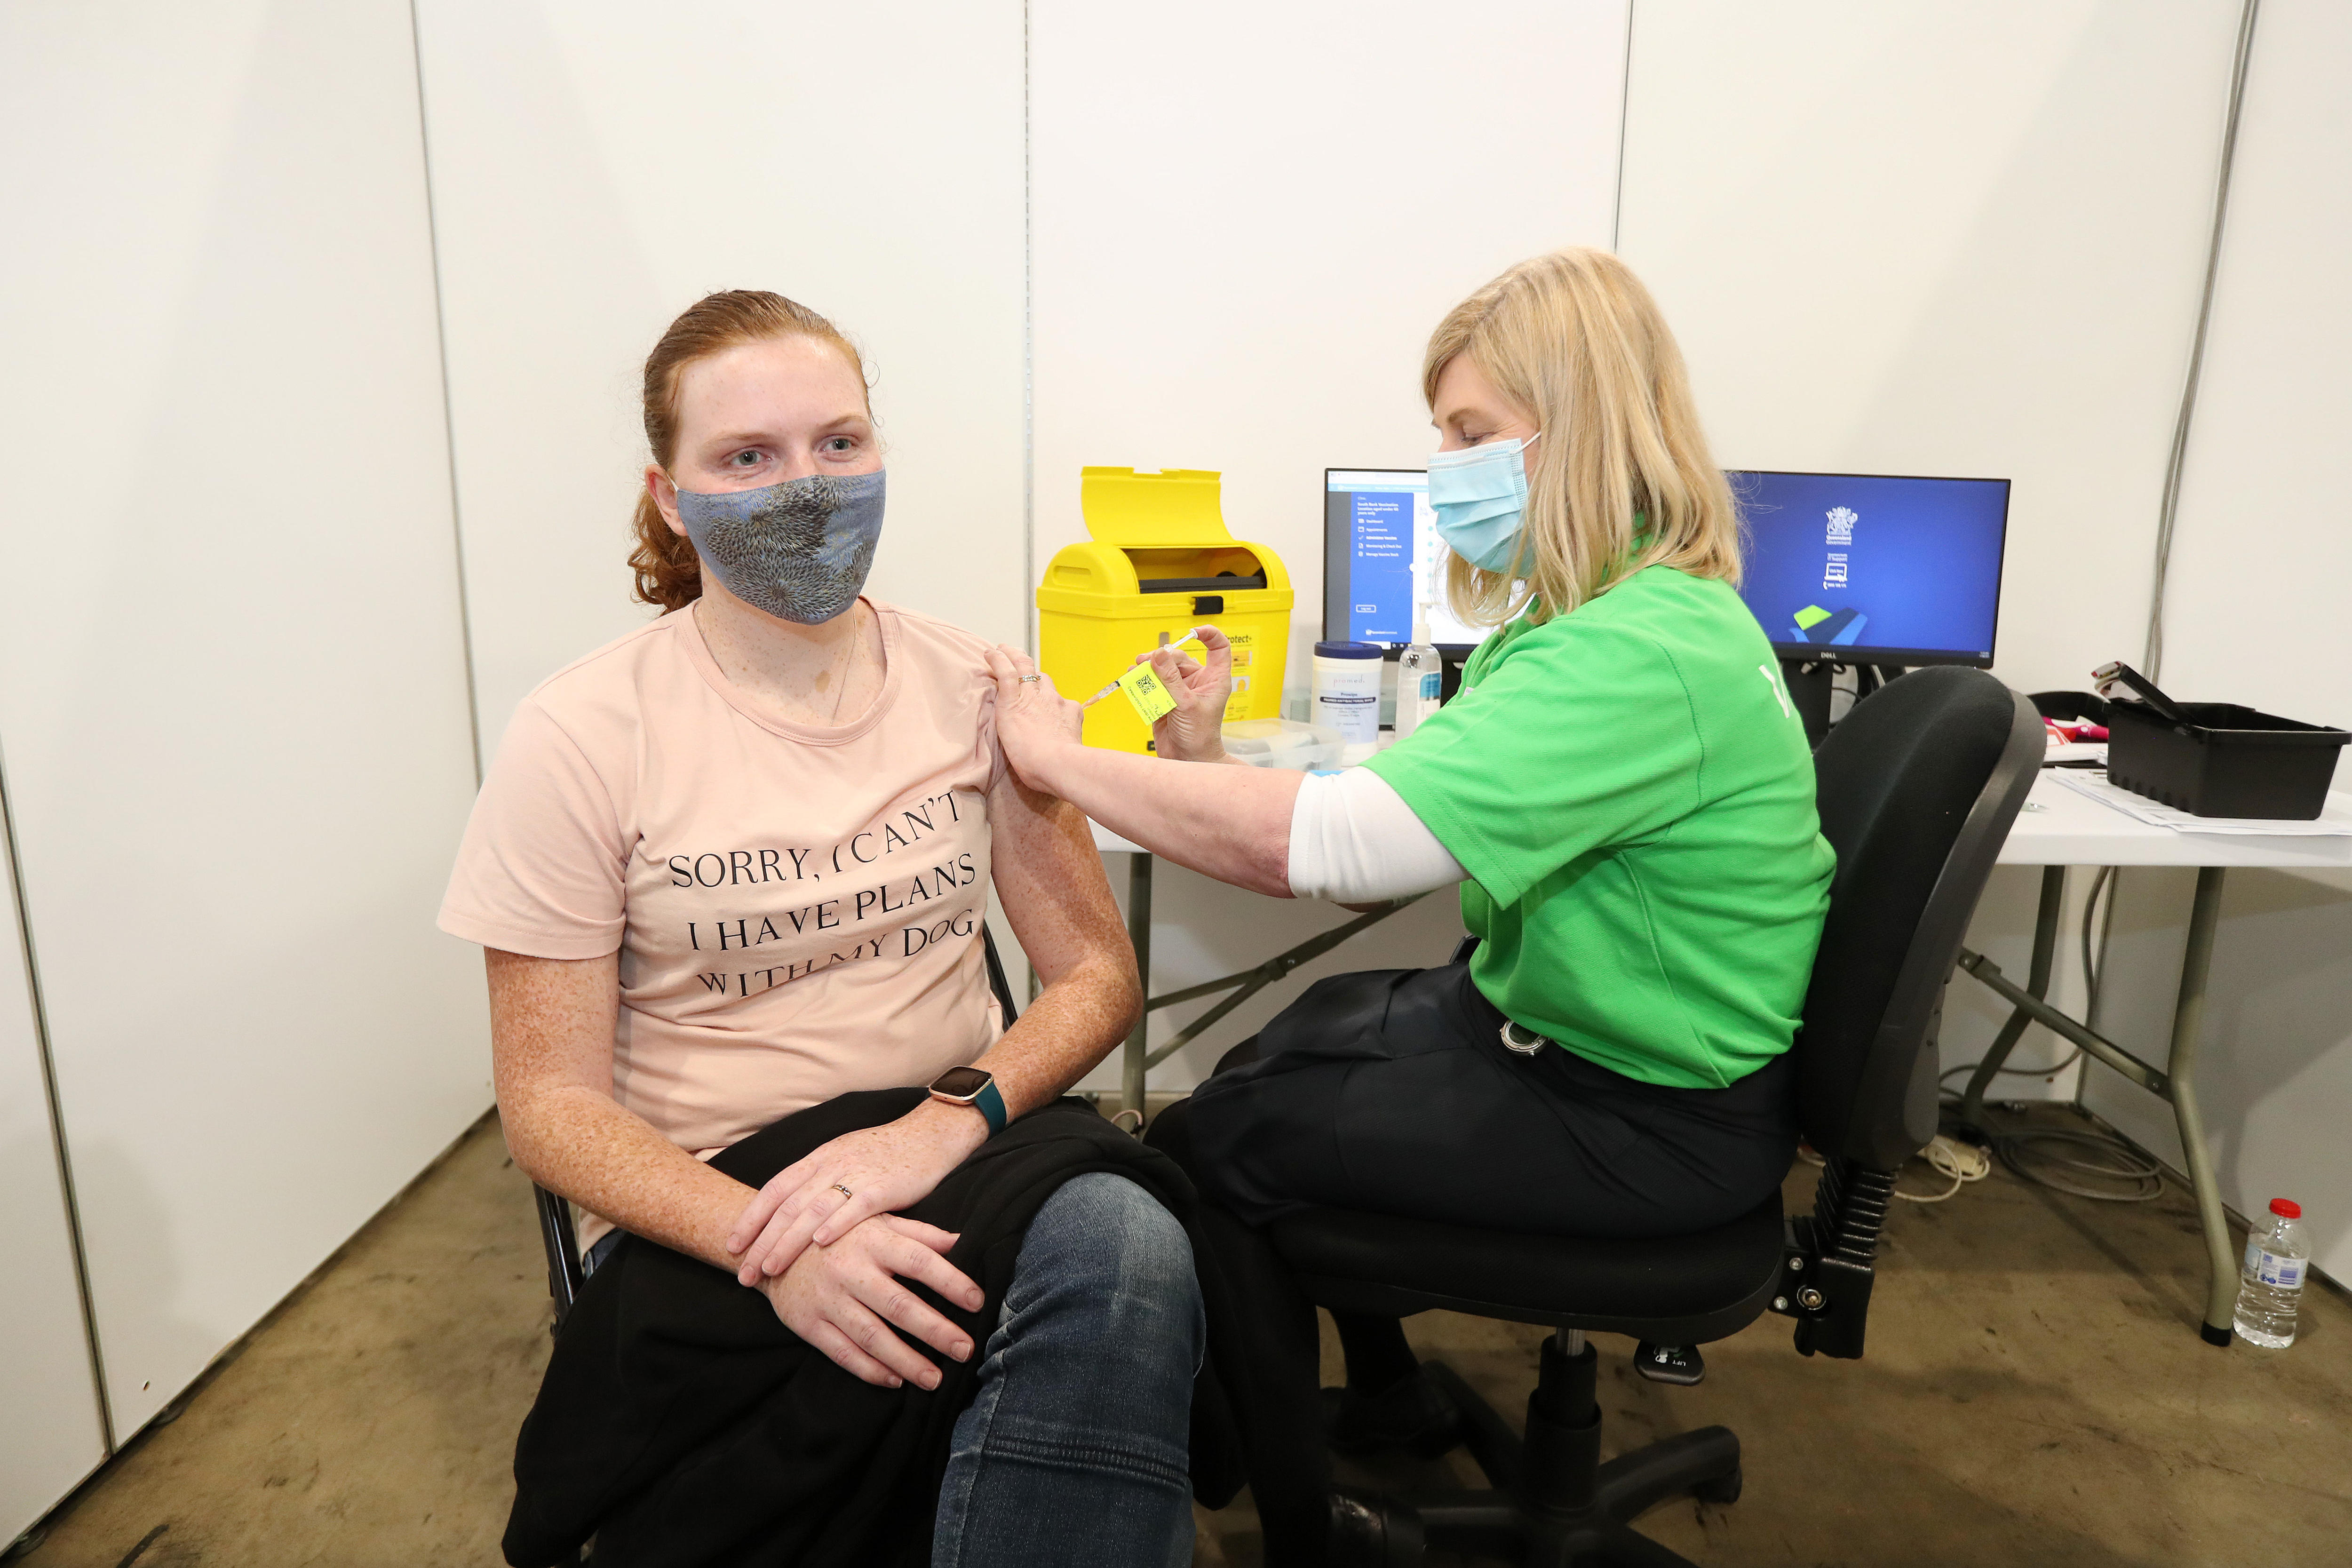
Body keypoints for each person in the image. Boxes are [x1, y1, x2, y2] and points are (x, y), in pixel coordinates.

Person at [983, 247, 1835, 1563]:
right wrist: (1199, 758)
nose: (1447, 466)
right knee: (1303, 1035)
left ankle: (1303, 1522)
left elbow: (1338, 847)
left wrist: (1058, 762)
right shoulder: (1603, 619)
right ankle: (1387, 1395)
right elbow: (1407, 795)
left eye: (1473, 433)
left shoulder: (1638, 653)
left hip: (1645, 1118)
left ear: (1583, 429)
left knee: (1212, 1155)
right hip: (1568, 1032)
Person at [439, 291, 1205, 1568]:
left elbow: (1092, 975)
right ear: (671, 496)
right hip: (715, 1205)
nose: (806, 484)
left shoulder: (976, 686)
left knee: (1129, 1246)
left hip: (957, 1144)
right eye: (747, 457)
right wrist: (778, 1248)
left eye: (839, 442)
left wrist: (933, 1130)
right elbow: (548, 1107)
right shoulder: (580, 737)